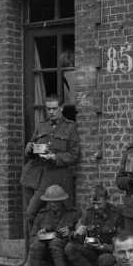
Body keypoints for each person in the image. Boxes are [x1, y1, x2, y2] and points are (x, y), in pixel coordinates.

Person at [20, 98, 80, 253]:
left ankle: (56, 254)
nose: (51, 112)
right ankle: (31, 253)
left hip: (60, 177)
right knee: (30, 213)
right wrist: (30, 148)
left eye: (54, 109)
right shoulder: (41, 126)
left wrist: (55, 157)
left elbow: (74, 155)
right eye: (48, 109)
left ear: (61, 108)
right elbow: (32, 148)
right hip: (41, 177)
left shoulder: (70, 127)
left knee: (63, 216)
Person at [64, 186, 123, 266]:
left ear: (106, 200)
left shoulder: (116, 214)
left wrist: (104, 247)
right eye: (94, 204)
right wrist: (77, 233)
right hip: (92, 249)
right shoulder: (89, 213)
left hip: (109, 252)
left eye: (99, 204)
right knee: (70, 248)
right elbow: (78, 238)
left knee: (104, 259)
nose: (96, 207)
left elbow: (121, 242)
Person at [28, 184, 80, 266]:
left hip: (63, 251)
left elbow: (80, 235)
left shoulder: (72, 214)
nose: (53, 205)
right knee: (36, 245)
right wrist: (39, 234)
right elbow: (32, 236)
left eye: (56, 202)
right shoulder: (42, 215)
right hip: (44, 252)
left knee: (55, 244)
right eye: (50, 202)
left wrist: (70, 232)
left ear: (62, 201)